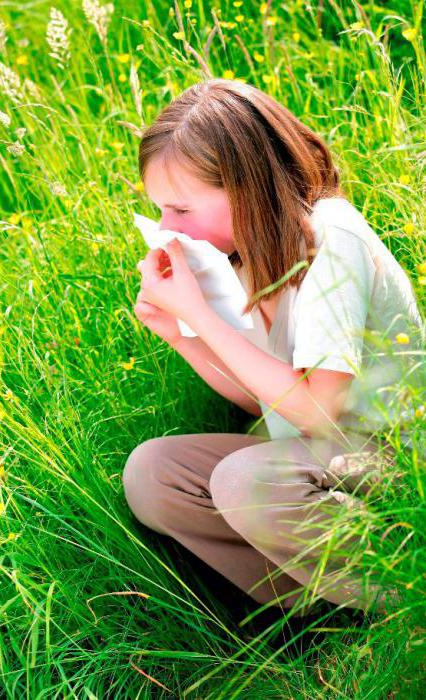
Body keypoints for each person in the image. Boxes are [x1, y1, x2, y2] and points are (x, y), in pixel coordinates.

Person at [122, 78, 424, 618]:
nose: (168, 228)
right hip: (324, 456)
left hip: (400, 459)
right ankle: (316, 612)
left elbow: (317, 412)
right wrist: (179, 335)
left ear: (247, 188)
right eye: (160, 211)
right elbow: (274, 410)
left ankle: (405, 594)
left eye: (182, 210)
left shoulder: (332, 241)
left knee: (247, 481)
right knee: (154, 474)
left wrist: (196, 315)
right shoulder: (239, 259)